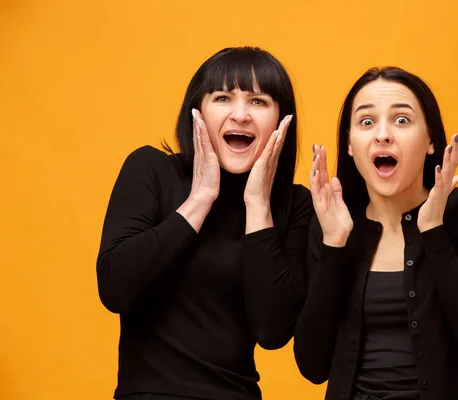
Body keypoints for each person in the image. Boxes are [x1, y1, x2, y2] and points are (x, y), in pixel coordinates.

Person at [96, 46, 313, 400]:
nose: (240, 115)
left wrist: (257, 205)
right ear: (198, 111)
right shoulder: (151, 169)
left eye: (258, 102)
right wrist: (200, 199)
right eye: (223, 98)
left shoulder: (294, 204)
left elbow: (272, 331)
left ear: (281, 120)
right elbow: (114, 287)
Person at [294, 66, 458, 400]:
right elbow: (312, 366)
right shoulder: (331, 224)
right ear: (351, 146)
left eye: (401, 120)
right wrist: (334, 245)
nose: (382, 135)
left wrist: (434, 231)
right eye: (366, 122)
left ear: (429, 140)